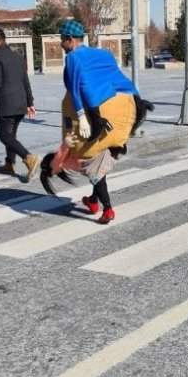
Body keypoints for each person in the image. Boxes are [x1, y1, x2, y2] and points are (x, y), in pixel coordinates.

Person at [42, 19, 144, 224]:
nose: (61, 43)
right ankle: (93, 200)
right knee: (97, 173)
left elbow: (78, 88)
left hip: (96, 118)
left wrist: (84, 117)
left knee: (96, 174)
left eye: (62, 39)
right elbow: (117, 77)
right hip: (124, 105)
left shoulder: (72, 58)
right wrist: (135, 102)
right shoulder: (103, 54)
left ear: (70, 39)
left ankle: (107, 209)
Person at [0, 27, 40, 179]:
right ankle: (10, 164)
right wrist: (30, 102)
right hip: (20, 102)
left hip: (6, 104)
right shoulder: (18, 57)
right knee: (11, 135)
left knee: (5, 136)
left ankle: (28, 157)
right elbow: (25, 81)